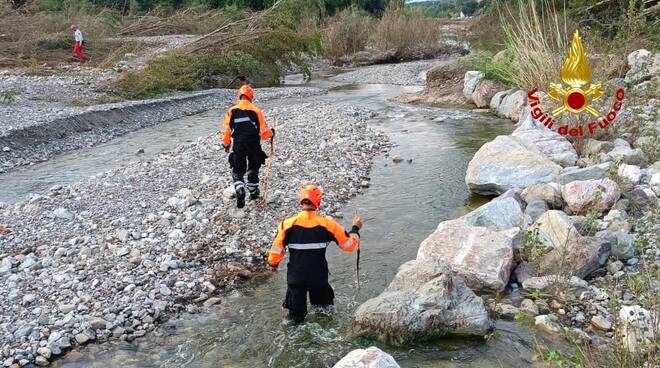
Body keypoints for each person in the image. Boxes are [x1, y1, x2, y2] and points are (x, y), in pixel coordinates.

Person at [268, 185, 363, 324]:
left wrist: (273, 264)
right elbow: (350, 246)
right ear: (318, 202)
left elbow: (276, 249)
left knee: (295, 322)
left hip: (296, 279)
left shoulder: (286, 224)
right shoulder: (328, 224)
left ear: (301, 201)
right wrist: (355, 228)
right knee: (324, 314)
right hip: (319, 279)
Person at [222, 84, 274, 208]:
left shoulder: (232, 111)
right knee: (254, 166)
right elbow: (263, 132)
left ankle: (240, 190)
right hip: (253, 143)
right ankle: (254, 192)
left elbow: (227, 130)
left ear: (239, 95)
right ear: (251, 96)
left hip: (239, 144)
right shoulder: (257, 111)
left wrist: (226, 144)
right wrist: (272, 132)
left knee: (238, 169)